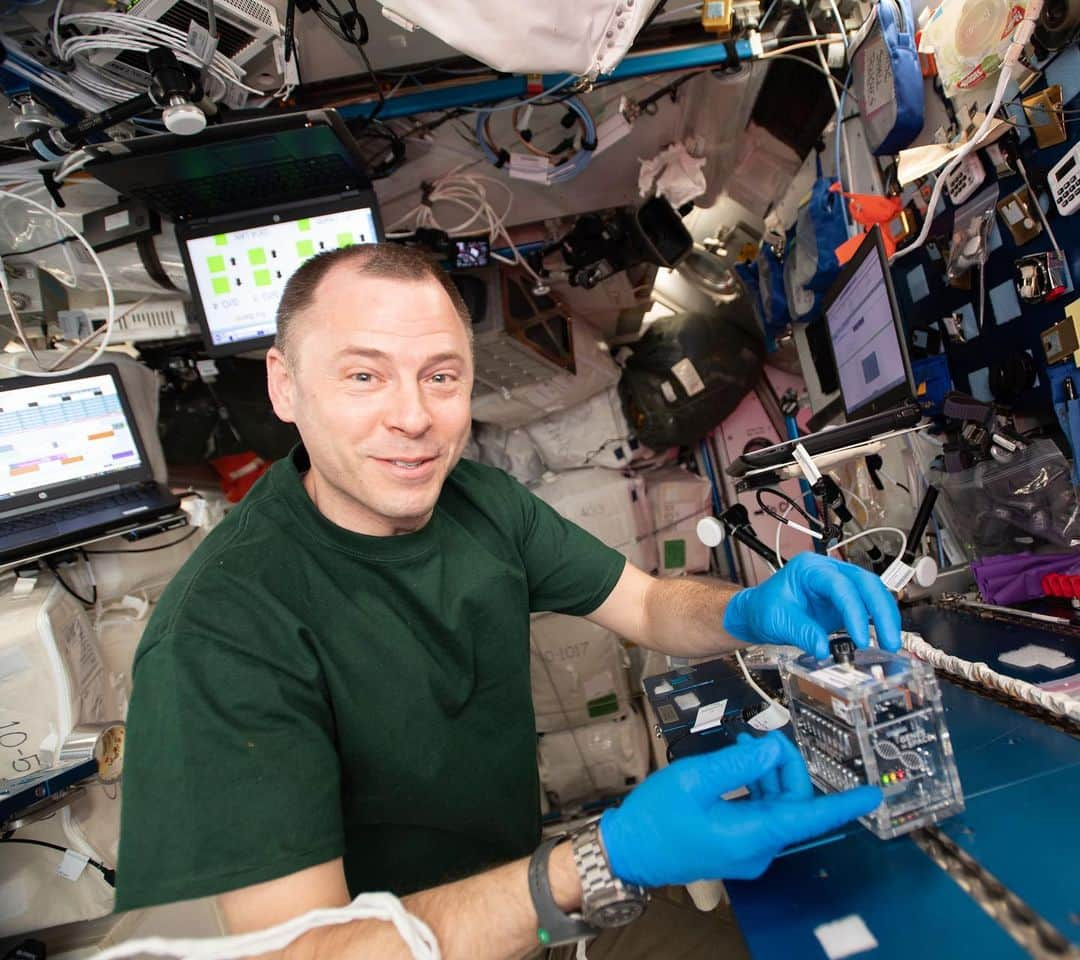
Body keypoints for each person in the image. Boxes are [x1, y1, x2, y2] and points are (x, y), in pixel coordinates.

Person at [116, 243, 899, 959]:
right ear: (285, 386)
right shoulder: (220, 632)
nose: (414, 417)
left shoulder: (479, 502)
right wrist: (601, 861)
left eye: (441, 376)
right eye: (363, 375)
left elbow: (651, 606)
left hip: (530, 910)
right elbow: (304, 955)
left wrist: (746, 609)